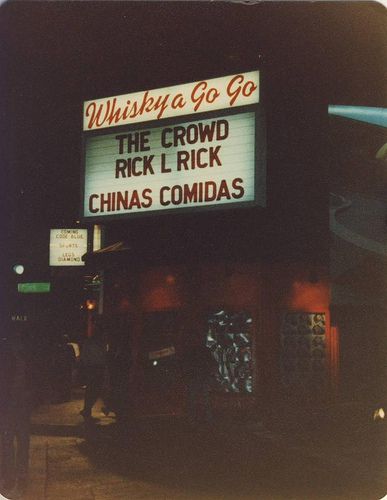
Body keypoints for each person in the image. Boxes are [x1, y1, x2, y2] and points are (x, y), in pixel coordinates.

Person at [0, 328, 40, 497]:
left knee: (19, 439)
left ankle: (18, 474)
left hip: (19, 403)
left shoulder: (26, 359)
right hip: (11, 403)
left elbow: (34, 381)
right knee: (9, 440)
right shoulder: (8, 358)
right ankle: (10, 474)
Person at [182, 335, 217, 427]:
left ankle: (195, 420)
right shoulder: (202, 351)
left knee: (196, 399)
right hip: (199, 377)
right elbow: (212, 363)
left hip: (198, 378)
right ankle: (206, 419)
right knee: (202, 399)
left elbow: (186, 366)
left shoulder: (192, 351)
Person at [79, 328, 107, 420]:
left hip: (92, 367)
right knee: (95, 389)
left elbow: (84, 356)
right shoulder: (101, 343)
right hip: (97, 367)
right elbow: (103, 355)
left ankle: (87, 409)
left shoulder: (90, 342)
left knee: (91, 389)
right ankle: (87, 409)